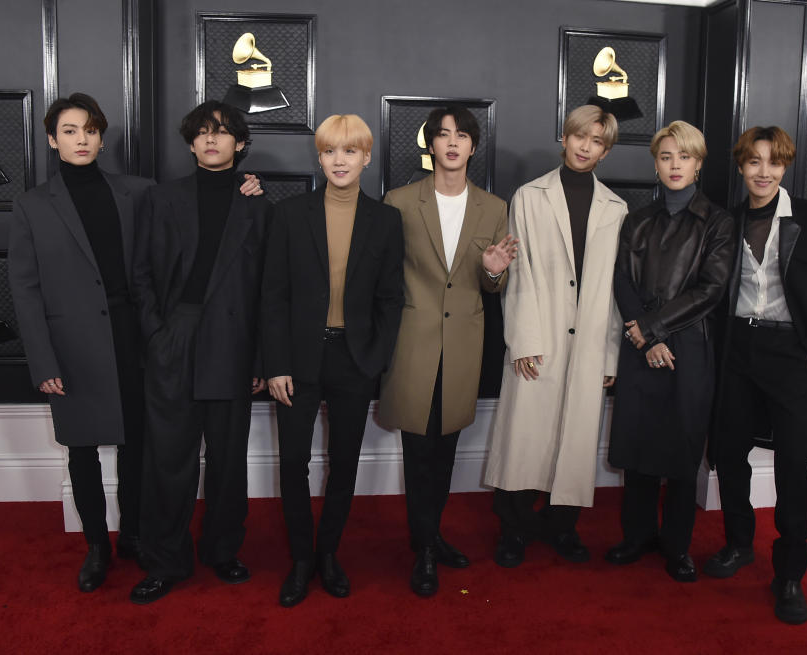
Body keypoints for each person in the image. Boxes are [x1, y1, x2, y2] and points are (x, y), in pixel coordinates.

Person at [703, 125, 807, 624]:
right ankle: (738, 545)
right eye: (753, 162)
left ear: (785, 166)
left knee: (793, 463)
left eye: (773, 162)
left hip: (791, 352)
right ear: (742, 167)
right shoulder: (728, 219)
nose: (763, 172)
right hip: (738, 349)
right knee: (729, 454)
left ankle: (789, 573)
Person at [8, 93, 153, 592]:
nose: (82, 139)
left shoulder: (138, 192)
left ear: (101, 135)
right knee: (82, 449)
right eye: (69, 131)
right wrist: (42, 359)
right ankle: (97, 545)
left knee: (138, 444)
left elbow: (189, 218)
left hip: (131, 337)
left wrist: (244, 188)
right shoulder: (30, 205)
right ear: (52, 140)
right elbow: (24, 289)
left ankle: (133, 534)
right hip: (70, 346)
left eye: (89, 129)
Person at [129, 100, 271, 604]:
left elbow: (266, 293)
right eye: (203, 133)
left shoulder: (258, 205)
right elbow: (140, 274)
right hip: (176, 336)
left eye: (223, 132)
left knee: (229, 461)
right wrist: (157, 334)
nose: (213, 139)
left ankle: (223, 551)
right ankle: (165, 559)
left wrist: (259, 361)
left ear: (239, 143)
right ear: (191, 143)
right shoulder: (162, 199)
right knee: (168, 458)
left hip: (234, 344)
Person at [264, 114, 404, 608]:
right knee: (294, 463)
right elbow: (273, 296)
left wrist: (376, 358)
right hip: (298, 360)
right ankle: (302, 558)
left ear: (366, 157)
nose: (338, 160)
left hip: (354, 359)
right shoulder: (289, 215)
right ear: (319, 157)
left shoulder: (386, 220)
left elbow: (391, 298)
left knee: (344, 463)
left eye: (349, 151)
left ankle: (329, 554)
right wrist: (276, 362)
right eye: (329, 151)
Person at [379, 106, 517, 597]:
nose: (453, 143)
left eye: (462, 136)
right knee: (417, 451)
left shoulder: (494, 207)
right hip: (412, 344)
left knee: (445, 452)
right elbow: (385, 275)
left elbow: (490, 285)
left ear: (473, 147)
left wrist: (495, 270)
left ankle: (430, 537)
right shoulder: (398, 200)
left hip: (463, 347)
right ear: (431, 145)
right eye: (443, 135)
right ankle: (426, 550)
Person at [484, 104, 627, 567]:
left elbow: (612, 291)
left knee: (576, 442)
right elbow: (518, 273)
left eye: (597, 141)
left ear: (605, 151)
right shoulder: (528, 196)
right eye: (579, 136)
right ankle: (513, 530)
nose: (586, 147)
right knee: (523, 440)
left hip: (587, 342)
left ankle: (562, 528)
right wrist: (523, 340)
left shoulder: (617, 208)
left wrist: (609, 355)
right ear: (564, 138)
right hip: (538, 335)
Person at [605, 120, 735, 582]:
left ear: (698, 164)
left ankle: (677, 546)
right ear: (655, 164)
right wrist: (646, 336)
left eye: (684, 156)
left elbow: (711, 289)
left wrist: (657, 330)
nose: (675, 165)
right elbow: (620, 280)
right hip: (642, 344)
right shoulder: (636, 220)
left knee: (682, 450)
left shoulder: (718, 222)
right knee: (638, 445)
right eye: (666, 157)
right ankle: (636, 536)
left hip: (689, 348)